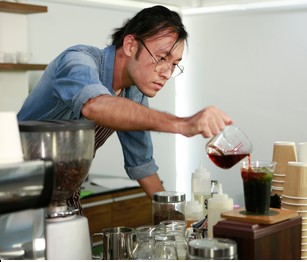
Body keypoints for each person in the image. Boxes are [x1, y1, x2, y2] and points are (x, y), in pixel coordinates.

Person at [17, 5, 232, 214]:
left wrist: (178, 217)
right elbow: (96, 106)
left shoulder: (133, 91)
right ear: (130, 45)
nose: (167, 73)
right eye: (162, 57)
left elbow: (142, 165)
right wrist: (183, 124)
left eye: (175, 64)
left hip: (64, 197)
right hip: (19, 192)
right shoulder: (78, 60)